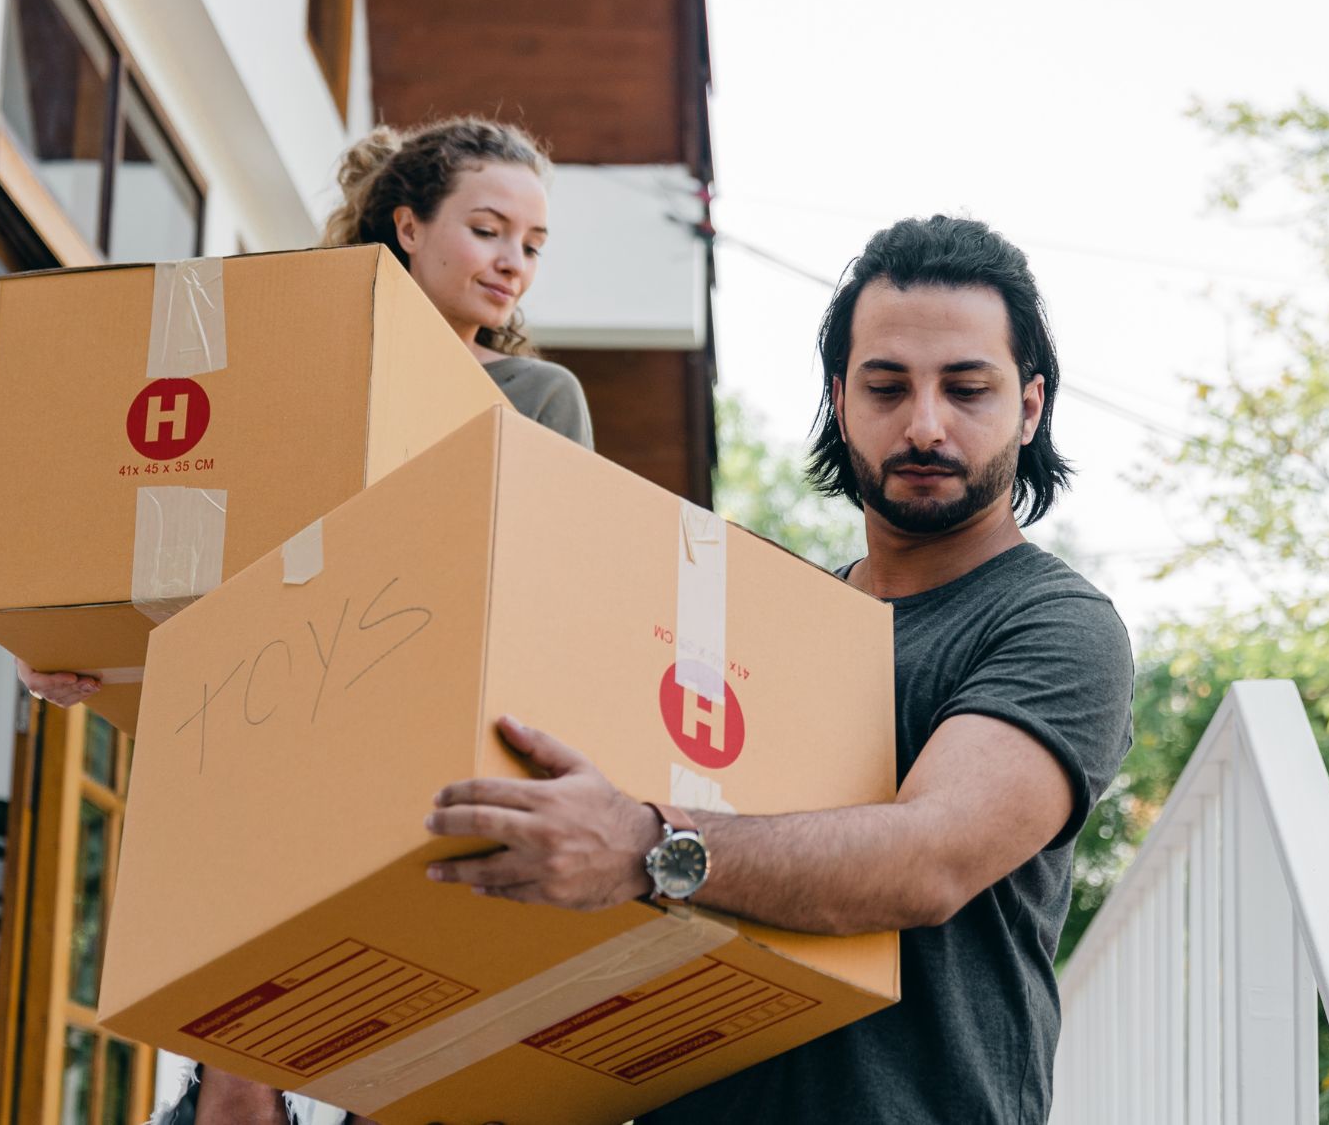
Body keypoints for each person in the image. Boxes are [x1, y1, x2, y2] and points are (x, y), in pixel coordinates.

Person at [424, 214, 1136, 1124]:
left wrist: (645, 844)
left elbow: (929, 861)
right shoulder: (764, 622)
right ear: (840, 401)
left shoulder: (1055, 624)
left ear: (1029, 406)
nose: (924, 424)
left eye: (967, 388)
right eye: (886, 387)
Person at [21, 116, 590, 714]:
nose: (513, 263)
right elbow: (163, 514)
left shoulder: (537, 399)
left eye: (532, 247)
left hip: (434, 712)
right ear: (409, 227)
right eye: (487, 230)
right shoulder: (292, 369)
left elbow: (554, 598)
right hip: (260, 708)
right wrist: (54, 633)